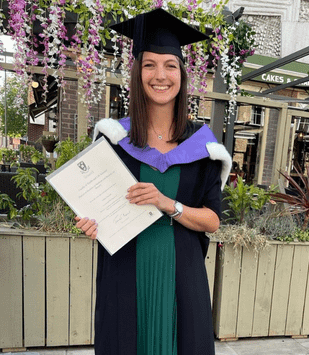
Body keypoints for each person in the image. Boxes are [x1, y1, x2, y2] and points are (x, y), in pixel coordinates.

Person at [74, 8, 232, 355]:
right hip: (125, 277)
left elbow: (213, 221)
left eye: (170, 65)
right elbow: (98, 205)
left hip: (182, 280)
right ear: (137, 73)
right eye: (149, 65)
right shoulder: (114, 139)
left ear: (181, 74)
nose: (160, 75)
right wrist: (91, 222)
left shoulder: (203, 146)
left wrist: (167, 203)